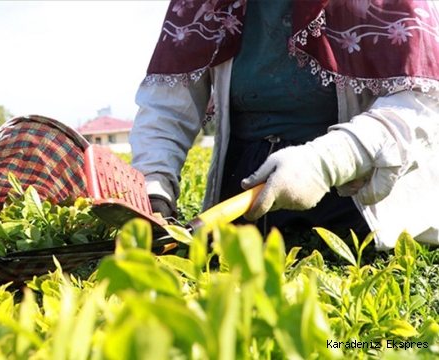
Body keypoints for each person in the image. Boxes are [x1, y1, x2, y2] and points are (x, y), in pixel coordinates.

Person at [130, 0, 439, 249]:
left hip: (354, 194)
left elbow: (420, 106)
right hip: (245, 188)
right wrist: (154, 185)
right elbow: (166, 104)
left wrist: (324, 163)